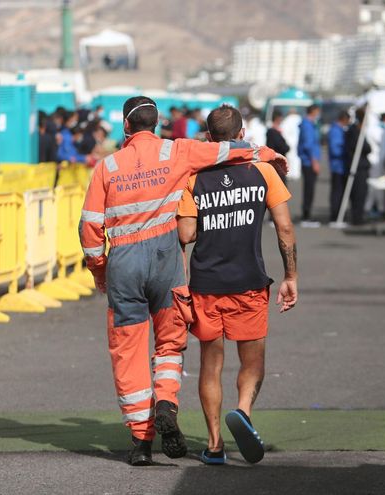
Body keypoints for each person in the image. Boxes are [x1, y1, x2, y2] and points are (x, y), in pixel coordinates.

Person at [78, 97, 287, 467]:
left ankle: (141, 441)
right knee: (170, 344)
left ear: (126, 128)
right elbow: (228, 149)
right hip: (165, 259)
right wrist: (269, 154)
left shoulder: (106, 167)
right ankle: (167, 405)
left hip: (124, 263)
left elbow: (91, 227)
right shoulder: (178, 152)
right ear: (157, 125)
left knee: (128, 350)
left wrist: (99, 270)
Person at [176, 105, 298, 466]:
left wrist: (206, 217)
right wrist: (291, 277)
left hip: (206, 284)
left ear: (209, 138)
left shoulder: (195, 177)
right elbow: (285, 229)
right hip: (249, 283)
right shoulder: (263, 172)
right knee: (253, 361)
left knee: (210, 365)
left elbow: (186, 233)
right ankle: (242, 411)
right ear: (243, 135)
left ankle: (214, 445)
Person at [345, 108, 372, 226]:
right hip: (358, 166)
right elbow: (365, 147)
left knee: (359, 193)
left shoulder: (354, 130)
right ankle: (357, 217)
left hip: (358, 165)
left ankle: (357, 215)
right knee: (359, 193)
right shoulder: (355, 131)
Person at [297, 104, 321, 226]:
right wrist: (314, 161)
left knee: (309, 189)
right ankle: (306, 216)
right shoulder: (307, 125)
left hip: (308, 160)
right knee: (309, 189)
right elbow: (308, 144)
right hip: (309, 161)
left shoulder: (309, 124)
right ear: (313, 111)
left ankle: (307, 214)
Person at [327, 110, 350, 223]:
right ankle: (335, 215)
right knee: (337, 192)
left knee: (339, 191)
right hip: (338, 166)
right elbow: (335, 149)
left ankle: (337, 214)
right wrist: (346, 151)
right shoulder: (336, 131)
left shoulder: (338, 130)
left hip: (340, 165)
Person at [265, 111, 290, 185]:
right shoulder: (273, 132)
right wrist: (287, 147)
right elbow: (282, 146)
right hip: (277, 163)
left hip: (275, 162)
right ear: (278, 119)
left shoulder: (272, 131)